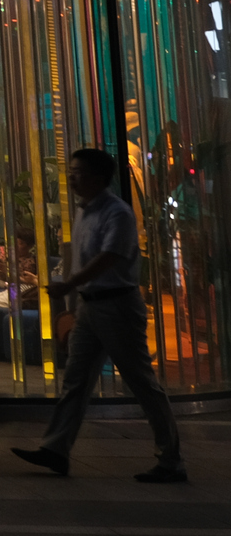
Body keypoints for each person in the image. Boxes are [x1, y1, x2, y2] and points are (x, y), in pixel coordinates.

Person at [13, 148, 185, 482]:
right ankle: (55, 449)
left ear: (98, 177)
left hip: (117, 305)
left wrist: (70, 285)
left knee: (140, 382)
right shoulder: (83, 212)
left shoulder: (117, 213)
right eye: (72, 171)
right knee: (76, 380)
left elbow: (110, 257)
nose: (72, 177)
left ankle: (171, 458)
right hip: (90, 306)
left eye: (78, 171)